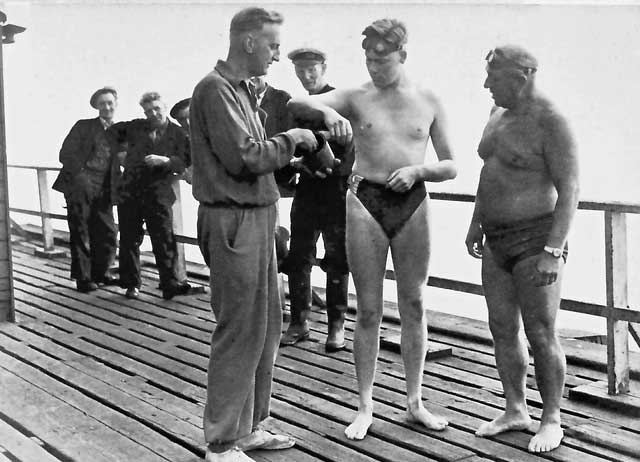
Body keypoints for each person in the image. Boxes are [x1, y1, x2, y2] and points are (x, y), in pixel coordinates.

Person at [288, 18, 457, 440]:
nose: (374, 66)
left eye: (383, 59)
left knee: (414, 303)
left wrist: (419, 170)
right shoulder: (358, 96)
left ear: (403, 56)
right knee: (368, 308)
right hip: (365, 200)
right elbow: (295, 103)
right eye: (368, 59)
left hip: (412, 202)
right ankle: (365, 406)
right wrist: (327, 109)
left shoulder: (428, 99)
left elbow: (451, 164)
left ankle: (415, 402)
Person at [189, 7, 320, 462]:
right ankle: (221, 442)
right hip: (233, 219)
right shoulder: (215, 90)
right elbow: (244, 156)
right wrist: (295, 139)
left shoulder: (241, 91)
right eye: (273, 46)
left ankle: (249, 427)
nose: (278, 56)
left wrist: (291, 155)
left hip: (258, 214)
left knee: (266, 325)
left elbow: (256, 156)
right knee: (239, 328)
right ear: (248, 42)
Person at [465, 45, 579, 453]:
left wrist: (553, 249)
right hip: (495, 237)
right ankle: (515, 408)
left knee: (541, 332)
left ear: (522, 75)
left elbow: (570, 190)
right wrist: (476, 222)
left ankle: (551, 418)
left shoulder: (551, 121)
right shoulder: (497, 114)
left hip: (535, 239)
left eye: (493, 79)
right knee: (501, 327)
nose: (486, 86)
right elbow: (488, 171)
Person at [280, 47, 354, 352]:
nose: (306, 76)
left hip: (336, 192)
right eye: (300, 71)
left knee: (337, 260)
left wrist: (336, 168)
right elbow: (289, 148)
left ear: (324, 67)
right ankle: (299, 323)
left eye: (311, 70)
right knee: (299, 257)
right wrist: (297, 164)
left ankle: (337, 326)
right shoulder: (297, 109)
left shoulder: (340, 101)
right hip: (307, 191)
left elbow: (353, 143)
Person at [109, 91, 191, 300]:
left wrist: (167, 161)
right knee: (129, 239)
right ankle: (130, 284)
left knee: (163, 239)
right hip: (131, 192)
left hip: (159, 193)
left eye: (157, 109)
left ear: (164, 107)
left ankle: (169, 283)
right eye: (148, 111)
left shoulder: (179, 133)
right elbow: (110, 133)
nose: (153, 114)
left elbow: (184, 161)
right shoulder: (136, 126)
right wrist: (119, 153)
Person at [52, 87, 120, 292]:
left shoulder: (120, 131)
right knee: (81, 231)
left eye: (110, 103)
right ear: (96, 107)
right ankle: (83, 278)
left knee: (108, 231)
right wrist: (80, 176)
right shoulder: (83, 127)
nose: (107, 107)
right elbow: (65, 154)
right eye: (102, 104)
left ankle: (102, 273)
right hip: (80, 186)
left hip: (106, 188)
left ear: (116, 104)